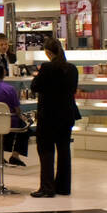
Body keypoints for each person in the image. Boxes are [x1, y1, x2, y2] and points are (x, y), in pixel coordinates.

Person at [29, 37, 79, 198]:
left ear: (48, 53)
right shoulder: (72, 69)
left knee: (46, 150)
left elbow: (35, 86)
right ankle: (64, 187)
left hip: (49, 115)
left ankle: (47, 187)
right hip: (67, 115)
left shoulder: (47, 67)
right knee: (64, 150)